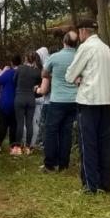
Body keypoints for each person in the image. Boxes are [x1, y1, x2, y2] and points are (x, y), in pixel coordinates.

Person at [66, 20, 110, 193]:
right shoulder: (107, 49)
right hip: (105, 101)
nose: (79, 36)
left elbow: (70, 74)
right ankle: (104, 183)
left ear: (84, 31)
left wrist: (78, 78)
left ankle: (90, 185)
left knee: (88, 144)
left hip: (88, 101)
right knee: (103, 144)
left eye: (79, 32)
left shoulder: (86, 47)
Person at [38, 31, 79, 173]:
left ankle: (50, 164)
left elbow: (43, 74)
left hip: (57, 101)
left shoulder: (54, 57)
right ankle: (64, 165)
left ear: (64, 41)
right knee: (66, 133)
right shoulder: (79, 56)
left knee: (51, 131)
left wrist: (55, 74)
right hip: (74, 100)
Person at [13, 51, 42, 155]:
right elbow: (39, 86)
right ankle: (28, 147)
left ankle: (17, 147)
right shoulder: (38, 71)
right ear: (35, 59)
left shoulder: (20, 68)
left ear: (26, 58)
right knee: (29, 123)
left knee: (20, 123)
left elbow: (14, 81)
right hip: (31, 98)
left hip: (20, 97)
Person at [0, 55, 20, 154]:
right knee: (14, 125)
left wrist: (3, 71)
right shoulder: (21, 73)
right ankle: (13, 147)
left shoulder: (9, 72)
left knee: (2, 125)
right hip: (17, 102)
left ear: (11, 62)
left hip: (5, 102)